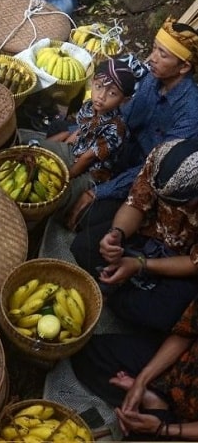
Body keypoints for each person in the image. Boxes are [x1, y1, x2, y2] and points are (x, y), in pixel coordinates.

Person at [69, 19, 198, 228]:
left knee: (86, 218)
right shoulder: (152, 78)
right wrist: (86, 133)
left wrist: (98, 191)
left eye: (162, 54)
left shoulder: (190, 113)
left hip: (139, 178)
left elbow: (154, 172)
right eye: (154, 48)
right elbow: (121, 119)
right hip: (116, 151)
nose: (152, 58)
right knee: (62, 133)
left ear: (184, 67)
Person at [72, 138, 198, 334]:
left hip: (179, 258)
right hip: (146, 232)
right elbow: (136, 203)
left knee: (162, 314)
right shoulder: (161, 155)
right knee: (82, 246)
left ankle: (116, 293)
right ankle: (121, 287)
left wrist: (140, 265)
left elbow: (194, 262)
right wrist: (117, 234)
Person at [72, 296, 198, 440]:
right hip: (178, 371)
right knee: (87, 353)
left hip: (185, 425)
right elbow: (185, 334)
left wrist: (164, 428)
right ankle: (152, 399)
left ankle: (155, 409)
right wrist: (141, 381)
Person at [42, 59, 136, 214]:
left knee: (57, 195)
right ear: (92, 83)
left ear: (124, 100)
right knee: (39, 150)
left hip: (93, 171)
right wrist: (62, 146)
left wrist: (66, 177)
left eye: (112, 93)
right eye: (98, 87)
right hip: (77, 150)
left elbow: (88, 158)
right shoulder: (88, 106)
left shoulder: (116, 128)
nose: (101, 96)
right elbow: (79, 131)